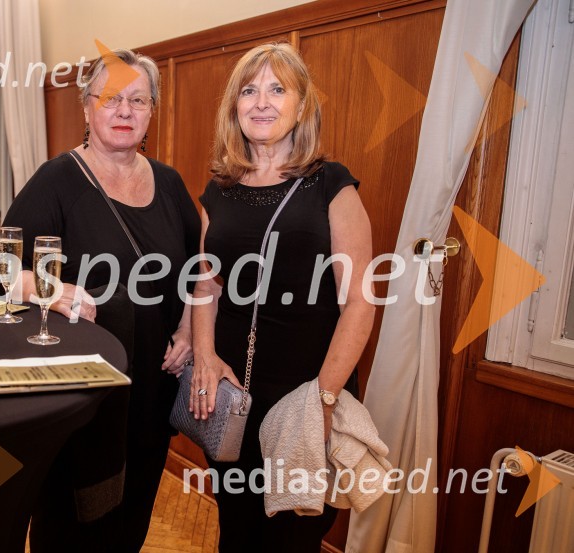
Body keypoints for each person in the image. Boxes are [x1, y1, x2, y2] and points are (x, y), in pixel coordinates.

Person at [0, 48, 200, 552]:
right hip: (82, 396)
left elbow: (202, 268)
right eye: (111, 98)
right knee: (71, 530)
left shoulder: (170, 183)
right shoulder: (57, 180)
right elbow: (2, 272)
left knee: (132, 523)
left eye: (138, 100)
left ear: (152, 112)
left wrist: (189, 329)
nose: (125, 110)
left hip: (152, 389)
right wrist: (52, 289)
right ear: (87, 107)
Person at [190, 43, 375, 552]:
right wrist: (204, 356)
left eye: (277, 89)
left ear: (302, 104)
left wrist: (325, 398)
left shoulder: (331, 185)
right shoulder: (219, 191)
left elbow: (359, 302)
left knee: (294, 536)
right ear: (234, 106)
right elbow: (205, 286)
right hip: (232, 397)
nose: (262, 102)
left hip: (305, 397)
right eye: (249, 90)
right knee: (237, 528)